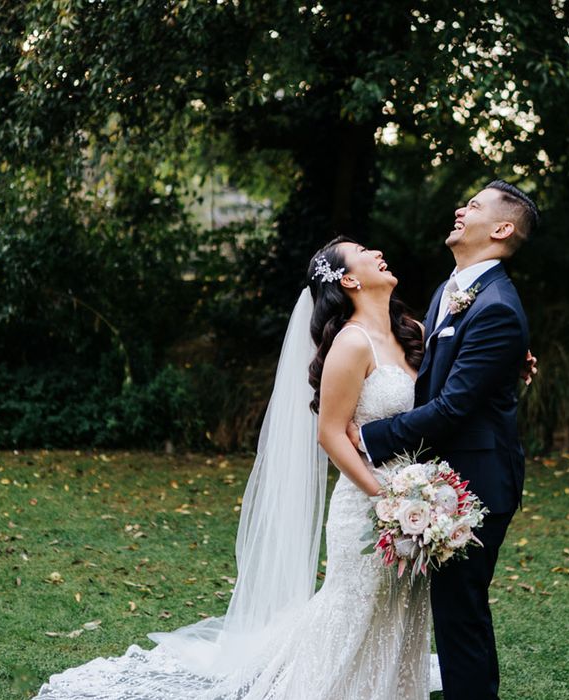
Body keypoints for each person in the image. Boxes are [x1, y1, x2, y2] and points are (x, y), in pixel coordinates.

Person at [34, 237, 439, 699]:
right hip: (369, 500)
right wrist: (382, 497)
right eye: (364, 252)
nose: (377, 253)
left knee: (403, 602)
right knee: (357, 604)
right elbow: (330, 434)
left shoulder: (413, 331)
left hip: (417, 496)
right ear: (347, 279)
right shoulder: (351, 343)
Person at [352, 179, 538, 700]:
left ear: (501, 229)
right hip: (445, 479)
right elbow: (435, 370)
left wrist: (370, 436)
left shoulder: (497, 305)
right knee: (455, 614)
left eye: (474, 206)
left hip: (476, 484)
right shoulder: (452, 289)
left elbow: (454, 406)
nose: (461, 209)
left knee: (461, 617)